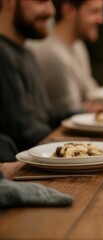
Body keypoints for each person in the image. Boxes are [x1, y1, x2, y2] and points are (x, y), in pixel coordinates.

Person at [0, 0, 67, 162]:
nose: (51, 11)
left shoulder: (27, 54)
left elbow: (46, 117)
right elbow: (24, 131)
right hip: (23, 172)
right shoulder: (2, 56)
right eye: (41, 1)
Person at [27, 0, 103, 113]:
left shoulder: (78, 46)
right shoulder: (53, 54)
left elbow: (91, 94)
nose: (101, 19)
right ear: (69, 11)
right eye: (93, 11)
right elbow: (67, 111)